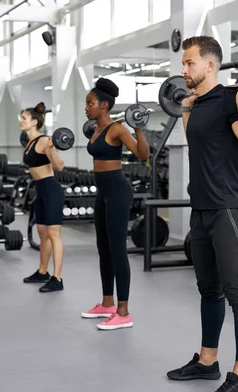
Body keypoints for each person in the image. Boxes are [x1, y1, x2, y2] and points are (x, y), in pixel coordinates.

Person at [165, 36, 238, 392]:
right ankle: (207, 361)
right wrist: (185, 110)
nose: (183, 69)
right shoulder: (195, 104)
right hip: (202, 210)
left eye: (189, 62)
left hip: (230, 210)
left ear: (210, 65)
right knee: (208, 290)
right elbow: (199, 144)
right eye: (183, 63)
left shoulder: (230, 100)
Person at [81, 78, 150, 330]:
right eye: (86, 103)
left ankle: (123, 311)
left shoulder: (118, 128)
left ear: (105, 105)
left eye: (90, 103)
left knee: (118, 249)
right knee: (103, 247)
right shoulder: (96, 129)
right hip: (102, 192)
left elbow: (143, 155)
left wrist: (139, 127)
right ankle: (107, 302)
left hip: (118, 191)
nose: (86, 107)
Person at [20, 102, 66, 293]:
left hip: (51, 189)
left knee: (54, 234)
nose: (21, 121)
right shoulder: (30, 142)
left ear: (34, 122)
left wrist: (52, 148)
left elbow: (60, 166)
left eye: (24, 118)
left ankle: (57, 278)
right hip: (40, 190)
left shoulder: (44, 141)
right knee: (42, 232)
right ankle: (42, 271)